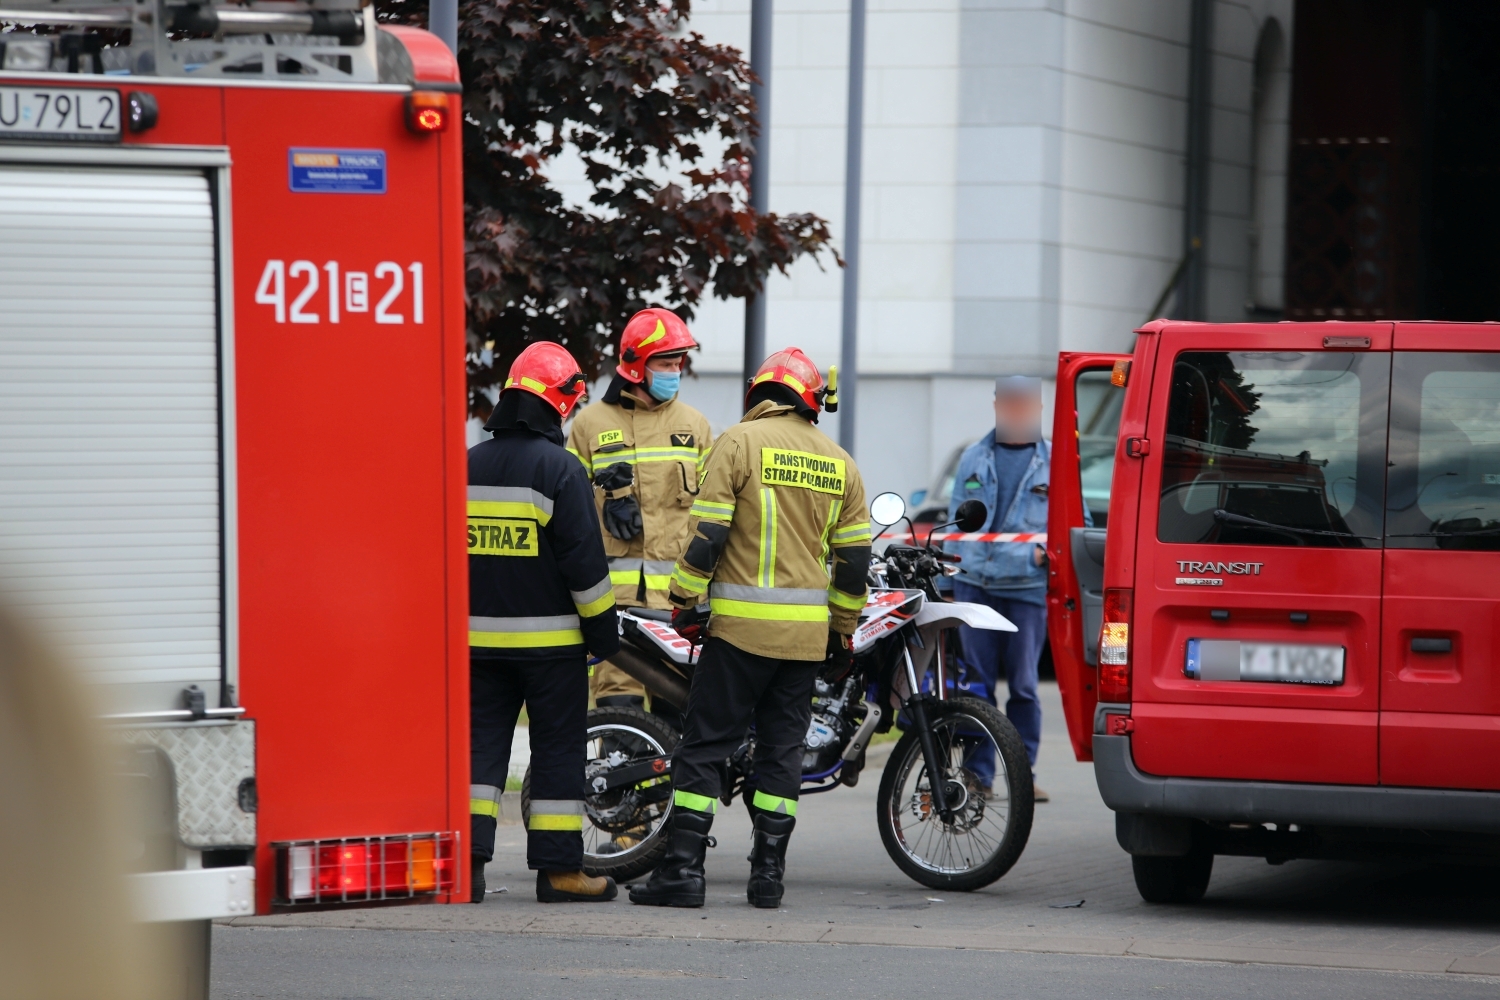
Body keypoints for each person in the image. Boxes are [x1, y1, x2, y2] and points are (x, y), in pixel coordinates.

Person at [629, 348, 871, 910]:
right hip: (805, 643)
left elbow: (708, 537)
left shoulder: (737, 443)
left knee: (707, 748)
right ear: (810, 401)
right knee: (781, 755)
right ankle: (768, 878)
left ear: (762, 394)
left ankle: (683, 873)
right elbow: (854, 564)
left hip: (739, 636)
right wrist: (842, 633)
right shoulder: (841, 462)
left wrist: (684, 599)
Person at [467, 342, 622, 904]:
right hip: (553, 650)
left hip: (474, 645)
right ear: (558, 402)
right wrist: (605, 636)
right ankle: (559, 873)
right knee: (557, 750)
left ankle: (468, 866)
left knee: (478, 752)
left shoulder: (465, 465)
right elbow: (585, 565)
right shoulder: (560, 469)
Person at [567, 308, 712, 733]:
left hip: (678, 604)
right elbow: (568, 513)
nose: (675, 371)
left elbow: (715, 512)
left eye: (678, 362)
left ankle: (667, 799)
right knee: (620, 710)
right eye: (665, 363)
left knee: (677, 708)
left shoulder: (695, 425)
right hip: (614, 604)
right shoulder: (590, 424)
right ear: (635, 365)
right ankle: (624, 798)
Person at [944, 375, 1060, 803]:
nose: (1016, 409)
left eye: (1025, 402)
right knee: (977, 685)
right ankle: (978, 776)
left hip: (1027, 589)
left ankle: (1022, 774)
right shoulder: (975, 456)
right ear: (996, 404)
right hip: (976, 587)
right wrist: (946, 584)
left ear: (1038, 407)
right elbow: (956, 525)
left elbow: (1073, 522)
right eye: (1009, 401)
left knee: (1025, 686)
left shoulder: (1056, 461)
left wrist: (1046, 556)